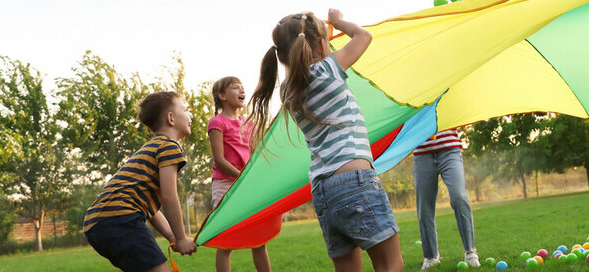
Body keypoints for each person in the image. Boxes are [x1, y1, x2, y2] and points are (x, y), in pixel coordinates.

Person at [246, 9, 404, 271]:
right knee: (390, 264)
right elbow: (364, 36)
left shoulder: (288, 90)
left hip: (323, 191)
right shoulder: (327, 68)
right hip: (355, 180)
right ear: (322, 44)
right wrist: (340, 22)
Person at [82, 91, 197, 272]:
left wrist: (172, 237)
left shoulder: (150, 148)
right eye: (186, 109)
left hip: (97, 224)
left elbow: (151, 210)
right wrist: (182, 238)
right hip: (121, 218)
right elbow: (169, 197)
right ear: (171, 118)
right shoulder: (169, 147)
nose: (190, 115)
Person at [207, 76, 271, 271]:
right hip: (226, 185)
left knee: (259, 241)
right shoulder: (217, 123)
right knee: (226, 243)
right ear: (222, 95)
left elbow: (253, 155)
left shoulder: (248, 123)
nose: (242, 90)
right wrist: (242, 178)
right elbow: (220, 160)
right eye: (235, 87)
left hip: (246, 186)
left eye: (242, 87)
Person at [413, 129, 480, 269]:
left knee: (459, 197)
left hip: (449, 150)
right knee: (424, 207)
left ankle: (470, 251)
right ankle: (431, 257)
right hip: (422, 153)